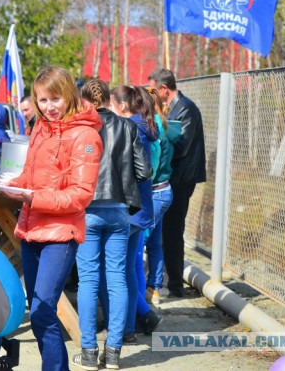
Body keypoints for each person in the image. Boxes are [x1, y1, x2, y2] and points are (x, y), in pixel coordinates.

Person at [6, 67, 103, 371]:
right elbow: (29, 176)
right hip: (31, 230)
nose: (49, 106)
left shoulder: (85, 135)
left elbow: (80, 194)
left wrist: (34, 197)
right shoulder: (40, 127)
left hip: (61, 234)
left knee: (43, 309)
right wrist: (6, 185)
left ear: (69, 95)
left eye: (55, 98)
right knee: (37, 313)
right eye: (42, 100)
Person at [72, 80, 151, 370]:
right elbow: (145, 171)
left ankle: (89, 353)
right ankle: (115, 352)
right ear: (107, 98)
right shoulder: (128, 127)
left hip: (86, 209)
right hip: (119, 211)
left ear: (84, 100)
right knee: (117, 278)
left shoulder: (79, 128)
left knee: (89, 280)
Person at [148, 68, 206, 297]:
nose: (150, 94)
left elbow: (181, 145)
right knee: (163, 232)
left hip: (181, 179)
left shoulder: (187, 109)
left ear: (164, 89)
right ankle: (164, 279)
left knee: (173, 231)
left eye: (153, 89)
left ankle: (174, 285)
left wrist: (160, 143)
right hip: (170, 177)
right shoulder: (170, 108)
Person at [109, 85, 160, 346]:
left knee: (119, 272)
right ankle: (133, 323)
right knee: (129, 269)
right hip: (139, 211)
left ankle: (129, 325)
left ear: (122, 107)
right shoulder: (143, 127)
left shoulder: (129, 130)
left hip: (129, 210)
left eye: (109, 105)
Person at [145, 88, 174, 306]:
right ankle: (154, 288)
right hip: (164, 190)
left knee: (140, 242)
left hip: (154, 192)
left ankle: (146, 291)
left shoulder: (151, 126)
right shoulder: (163, 123)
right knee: (155, 243)